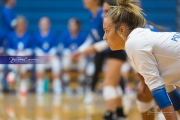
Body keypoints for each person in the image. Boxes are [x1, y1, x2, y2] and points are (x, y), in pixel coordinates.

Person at [103, 0, 180, 119]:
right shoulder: (139, 38)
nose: (104, 37)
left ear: (122, 30)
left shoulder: (134, 43)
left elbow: (158, 89)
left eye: (107, 31)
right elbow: (170, 88)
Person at [72, 0, 127, 119]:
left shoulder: (107, 15)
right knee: (113, 83)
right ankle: (120, 112)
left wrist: (94, 48)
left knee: (109, 83)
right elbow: (93, 36)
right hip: (106, 51)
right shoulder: (92, 15)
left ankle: (109, 113)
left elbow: (112, 38)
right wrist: (80, 50)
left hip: (117, 50)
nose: (84, 1)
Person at [34, 17, 61, 95]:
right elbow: (35, 47)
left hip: (51, 56)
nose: (44, 25)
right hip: (40, 56)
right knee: (39, 64)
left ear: (49, 24)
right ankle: (40, 86)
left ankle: (57, 86)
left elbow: (56, 46)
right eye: (42, 24)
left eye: (46, 24)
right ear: (39, 25)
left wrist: (49, 54)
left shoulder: (53, 34)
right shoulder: (36, 34)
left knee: (56, 64)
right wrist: (42, 54)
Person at [6, 16, 33, 95]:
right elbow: (8, 49)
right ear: (16, 25)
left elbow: (30, 51)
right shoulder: (11, 35)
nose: (20, 26)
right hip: (13, 59)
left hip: (25, 60)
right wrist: (15, 54)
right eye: (19, 24)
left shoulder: (28, 36)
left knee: (22, 57)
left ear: (25, 25)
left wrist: (23, 53)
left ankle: (13, 74)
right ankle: (22, 85)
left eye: (22, 24)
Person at [60, 18, 87, 94]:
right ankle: (66, 84)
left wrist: (77, 55)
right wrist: (71, 55)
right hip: (69, 56)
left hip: (78, 57)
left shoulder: (82, 36)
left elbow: (84, 49)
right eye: (70, 25)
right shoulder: (65, 35)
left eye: (73, 25)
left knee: (83, 61)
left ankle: (81, 85)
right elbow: (64, 49)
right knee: (65, 61)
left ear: (77, 26)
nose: (71, 27)